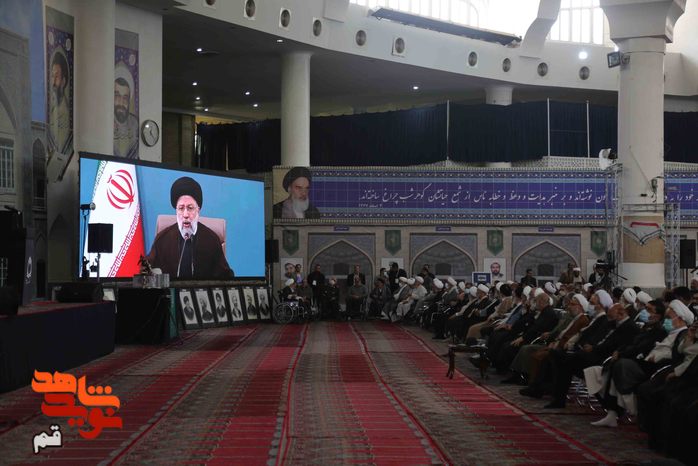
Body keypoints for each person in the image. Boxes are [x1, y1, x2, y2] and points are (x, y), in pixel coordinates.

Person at [147, 177, 234, 279]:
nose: (185, 215)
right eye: (181, 208)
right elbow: (146, 276)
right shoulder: (162, 239)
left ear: (198, 210)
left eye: (190, 208)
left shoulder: (211, 240)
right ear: (176, 211)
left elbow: (226, 278)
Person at [48, 51, 72, 155]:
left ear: (63, 81)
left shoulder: (66, 112)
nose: (53, 82)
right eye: (52, 76)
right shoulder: (51, 110)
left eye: (57, 77)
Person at [114, 63, 139, 159]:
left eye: (125, 98)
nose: (121, 103)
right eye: (117, 96)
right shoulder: (105, 122)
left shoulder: (134, 123)